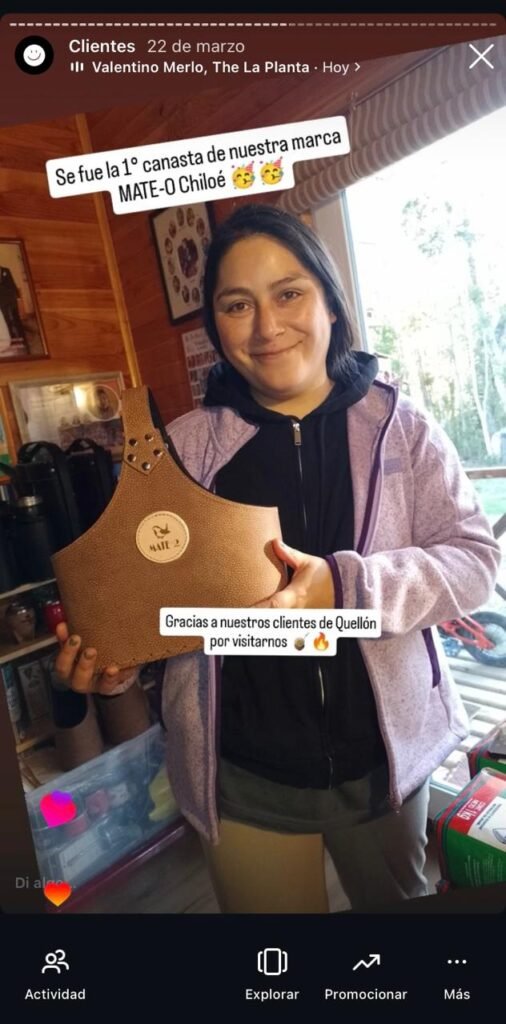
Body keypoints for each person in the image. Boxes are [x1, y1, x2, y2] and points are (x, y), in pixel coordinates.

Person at [55, 204, 501, 914]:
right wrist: (118, 665)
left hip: (383, 769)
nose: (266, 327)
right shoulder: (182, 449)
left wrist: (346, 588)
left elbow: (475, 562)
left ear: (330, 302)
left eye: (289, 293)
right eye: (238, 304)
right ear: (216, 324)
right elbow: (155, 601)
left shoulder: (403, 428)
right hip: (244, 778)